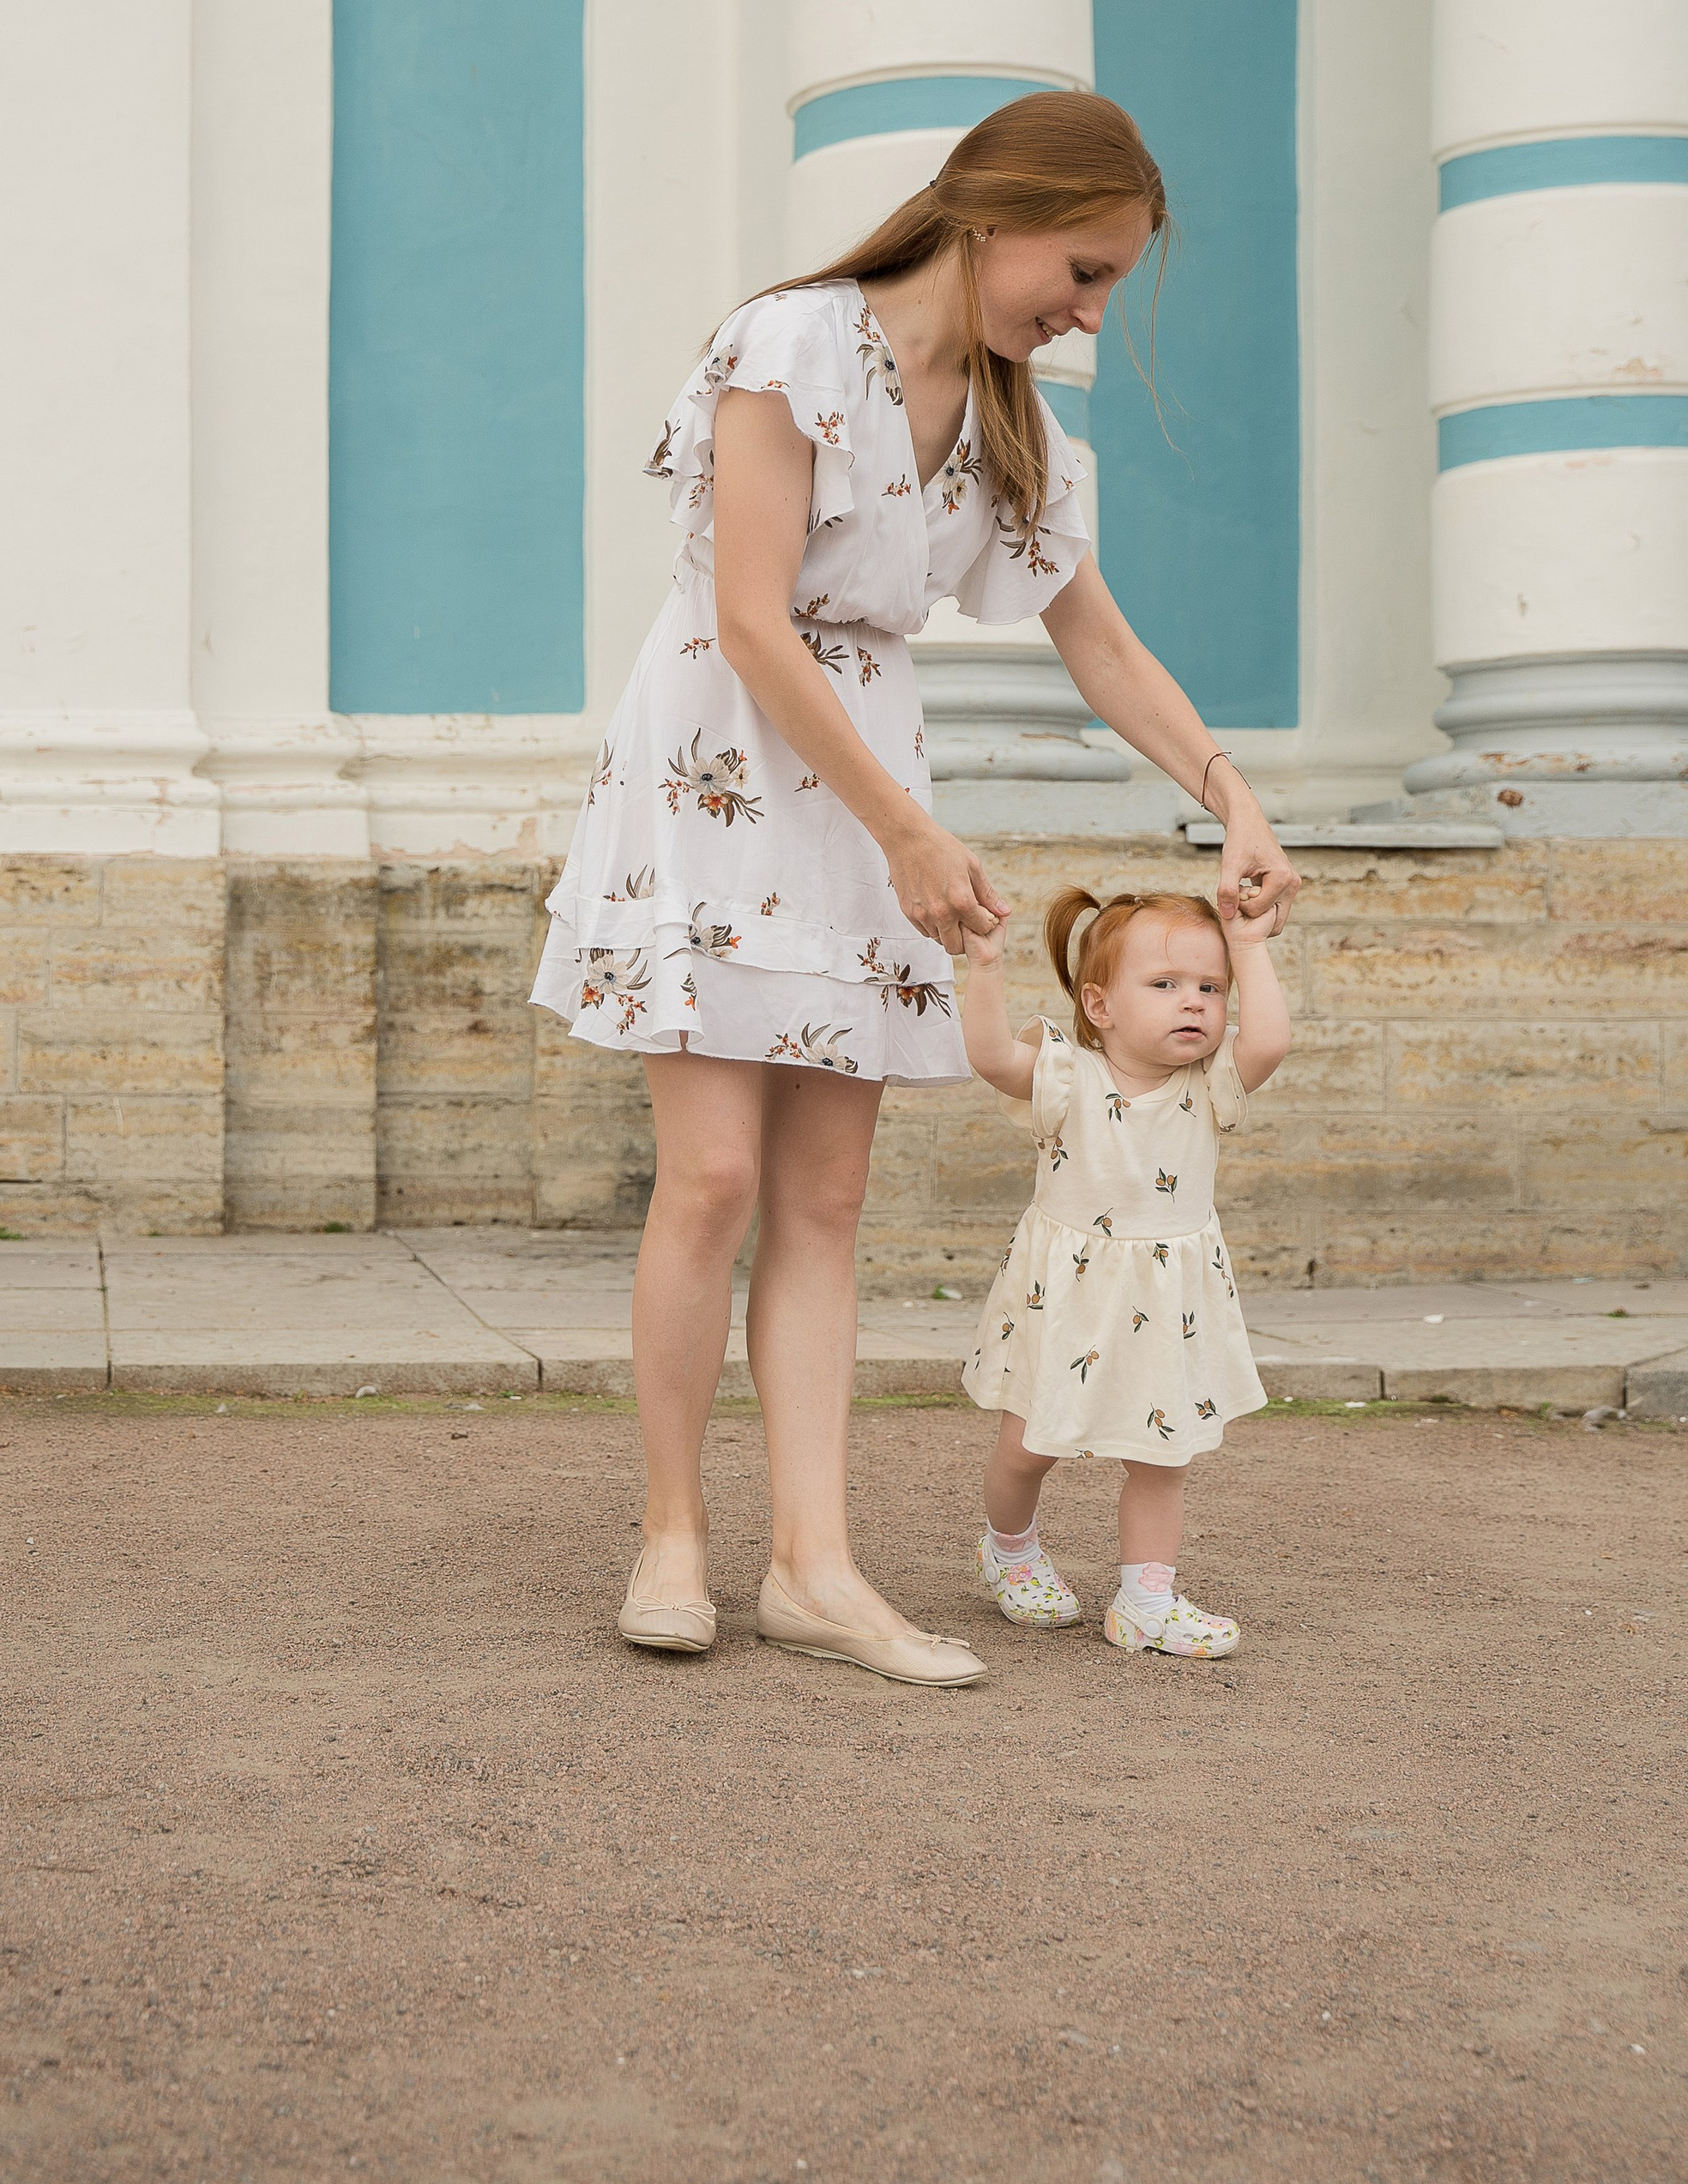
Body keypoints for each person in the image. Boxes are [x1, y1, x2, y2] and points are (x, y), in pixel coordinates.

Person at [530, 90, 1304, 1684]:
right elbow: (751, 617)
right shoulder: (790, 348)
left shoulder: (1018, 430)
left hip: (870, 787)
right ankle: (673, 1532)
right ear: (995, 210)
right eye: (1081, 272)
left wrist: (1228, 796)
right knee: (717, 1179)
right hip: (725, 768)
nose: (1087, 315)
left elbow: (1098, 641)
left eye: (1108, 290)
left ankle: (814, 1565)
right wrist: (901, 828)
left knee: (826, 1197)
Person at [958, 883, 1292, 1658]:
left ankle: (1146, 1599)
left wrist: (1249, 943)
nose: (1196, 1004)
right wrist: (982, 967)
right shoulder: (1067, 1074)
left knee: (1162, 1452)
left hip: (1169, 1299)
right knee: (1027, 1446)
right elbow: (989, 1058)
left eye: (1211, 988)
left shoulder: (1210, 1084)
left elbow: (1269, 1041)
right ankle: (1009, 1550)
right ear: (1101, 1005)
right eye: (1167, 985)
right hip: (1064, 1298)